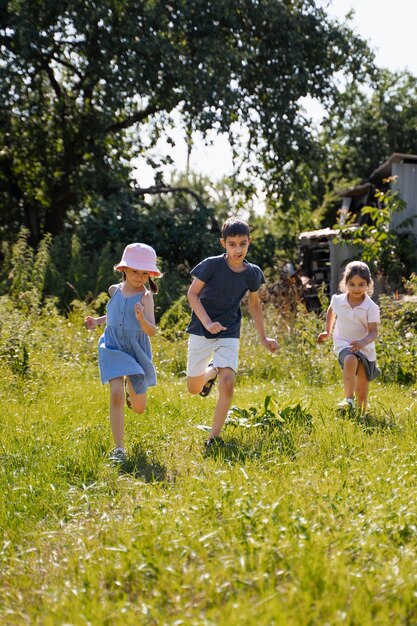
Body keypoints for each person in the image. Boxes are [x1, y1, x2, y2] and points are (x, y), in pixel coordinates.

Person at [185, 217, 279, 446]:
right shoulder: (211, 265)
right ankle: (210, 373)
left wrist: (263, 337)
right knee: (193, 388)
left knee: (228, 382)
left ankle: (214, 438)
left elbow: (254, 305)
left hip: (228, 330)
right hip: (202, 328)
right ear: (223, 243)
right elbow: (192, 294)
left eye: (242, 244)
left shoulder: (252, 273)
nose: (238, 249)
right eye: (232, 244)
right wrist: (207, 322)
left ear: (250, 242)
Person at [84, 243, 161, 462]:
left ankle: (132, 389)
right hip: (113, 345)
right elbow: (116, 315)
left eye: (144, 272)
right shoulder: (114, 290)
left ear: (150, 274)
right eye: (135, 271)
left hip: (135, 350)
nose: (139, 277)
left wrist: (141, 319)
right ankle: (119, 449)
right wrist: (97, 322)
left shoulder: (145, 297)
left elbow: (152, 331)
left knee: (139, 408)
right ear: (124, 269)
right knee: (115, 394)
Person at [317, 260, 380, 413]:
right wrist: (327, 331)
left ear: (368, 284)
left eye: (361, 284)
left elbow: (373, 332)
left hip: (365, 348)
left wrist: (362, 342)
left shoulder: (371, 307)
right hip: (344, 343)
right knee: (350, 358)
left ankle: (360, 413)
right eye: (352, 284)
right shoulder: (338, 300)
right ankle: (348, 399)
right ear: (345, 283)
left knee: (362, 393)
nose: (356, 288)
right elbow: (331, 311)